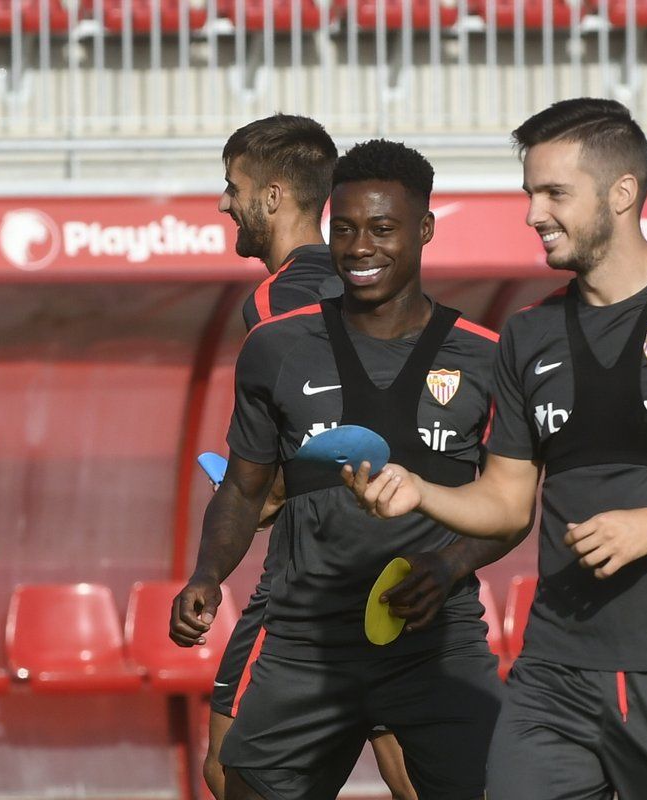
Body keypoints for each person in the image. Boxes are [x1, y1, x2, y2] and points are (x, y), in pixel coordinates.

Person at [346, 98, 647, 799]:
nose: (534, 213)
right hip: (553, 676)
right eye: (529, 193)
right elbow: (506, 504)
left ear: (621, 193)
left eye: (554, 193)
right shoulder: (528, 334)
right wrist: (422, 492)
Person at [172, 139, 511, 800]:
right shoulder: (276, 346)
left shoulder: (489, 358)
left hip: (433, 638)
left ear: (425, 230)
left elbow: (511, 505)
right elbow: (243, 489)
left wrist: (448, 566)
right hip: (305, 641)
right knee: (231, 781)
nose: (360, 247)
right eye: (347, 230)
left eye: (383, 230)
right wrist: (207, 575)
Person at [204, 113, 417, 800]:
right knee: (408, 763)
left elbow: (312, 426)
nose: (222, 202)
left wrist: (265, 495)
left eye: (232, 186)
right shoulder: (375, 285)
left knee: (233, 767)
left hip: (314, 575)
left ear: (271, 197)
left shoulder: (277, 299)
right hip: (401, 556)